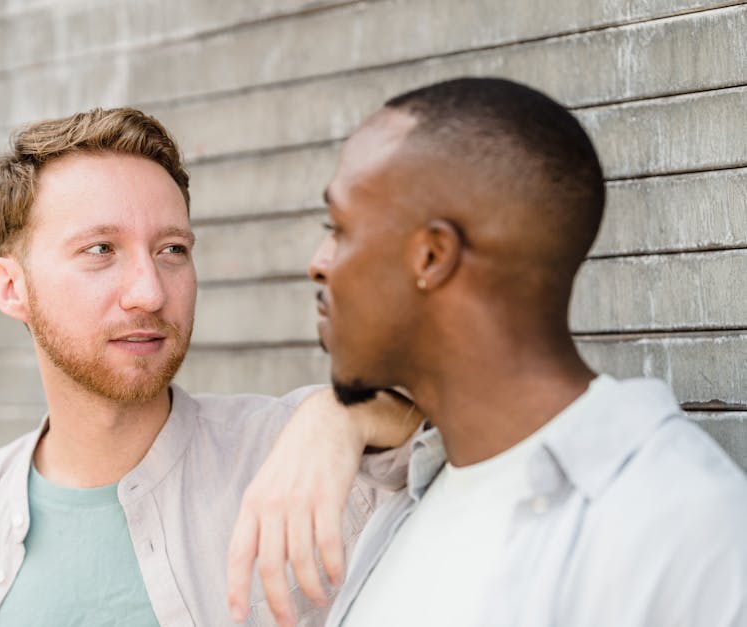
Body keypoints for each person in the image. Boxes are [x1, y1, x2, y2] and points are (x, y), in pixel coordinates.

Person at [0, 108, 422, 627]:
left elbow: (453, 448)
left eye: (172, 249)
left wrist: (345, 413)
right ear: (11, 288)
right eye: (101, 250)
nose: (150, 292)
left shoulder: (299, 454)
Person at [301, 77, 747, 626]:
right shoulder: (407, 503)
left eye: (339, 228)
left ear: (432, 256)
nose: (318, 264)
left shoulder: (682, 530)